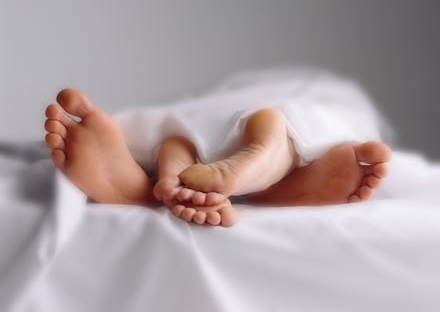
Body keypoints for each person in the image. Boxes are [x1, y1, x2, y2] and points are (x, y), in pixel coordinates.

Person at [44, 88, 391, 227]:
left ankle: (165, 179)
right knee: (277, 117)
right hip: (271, 108)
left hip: (178, 131)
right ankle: (271, 166)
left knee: (179, 136)